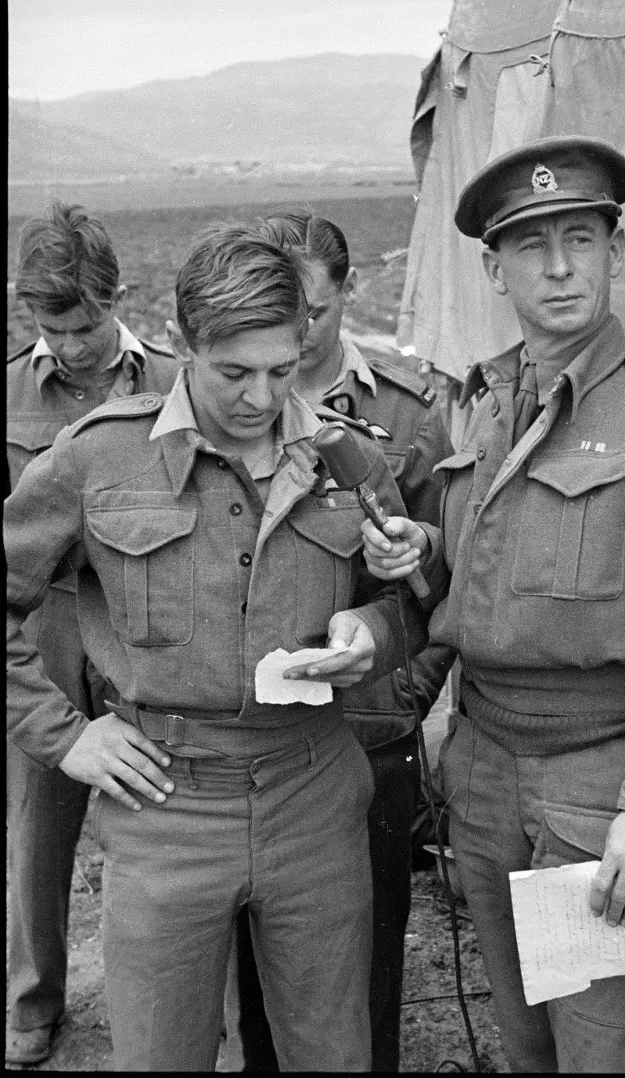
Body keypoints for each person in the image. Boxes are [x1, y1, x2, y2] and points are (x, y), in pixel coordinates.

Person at [5, 224, 431, 1072]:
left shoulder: (345, 455)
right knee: (162, 1053)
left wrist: (373, 631)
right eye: (234, 372)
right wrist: (65, 735)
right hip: (166, 803)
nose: (260, 398)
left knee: (332, 1051)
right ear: (186, 344)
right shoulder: (100, 457)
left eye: (280, 370)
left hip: (314, 793)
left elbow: (410, 604)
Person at [361, 136, 625, 1073]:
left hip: (602, 781)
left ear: (615, 249)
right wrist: (425, 556)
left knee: (609, 1050)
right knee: (526, 1040)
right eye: (532, 246)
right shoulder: (483, 402)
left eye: (581, 237)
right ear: (494, 268)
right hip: (483, 771)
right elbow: (502, 570)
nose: (560, 266)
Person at [223, 211, 454, 1072]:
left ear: (343, 297)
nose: (295, 330)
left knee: (366, 978)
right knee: (257, 981)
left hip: (370, 736)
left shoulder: (409, 413)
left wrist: (402, 698)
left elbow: (440, 584)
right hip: (259, 744)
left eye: (311, 312)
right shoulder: (227, 406)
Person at [5, 201, 178, 1068]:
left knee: (167, 818)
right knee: (36, 828)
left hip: (142, 631)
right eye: (49, 326)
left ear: (119, 296)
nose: (69, 345)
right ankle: (33, 1000)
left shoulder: (175, 383)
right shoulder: (6, 388)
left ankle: (179, 1004)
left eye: (83, 324)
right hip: (38, 632)